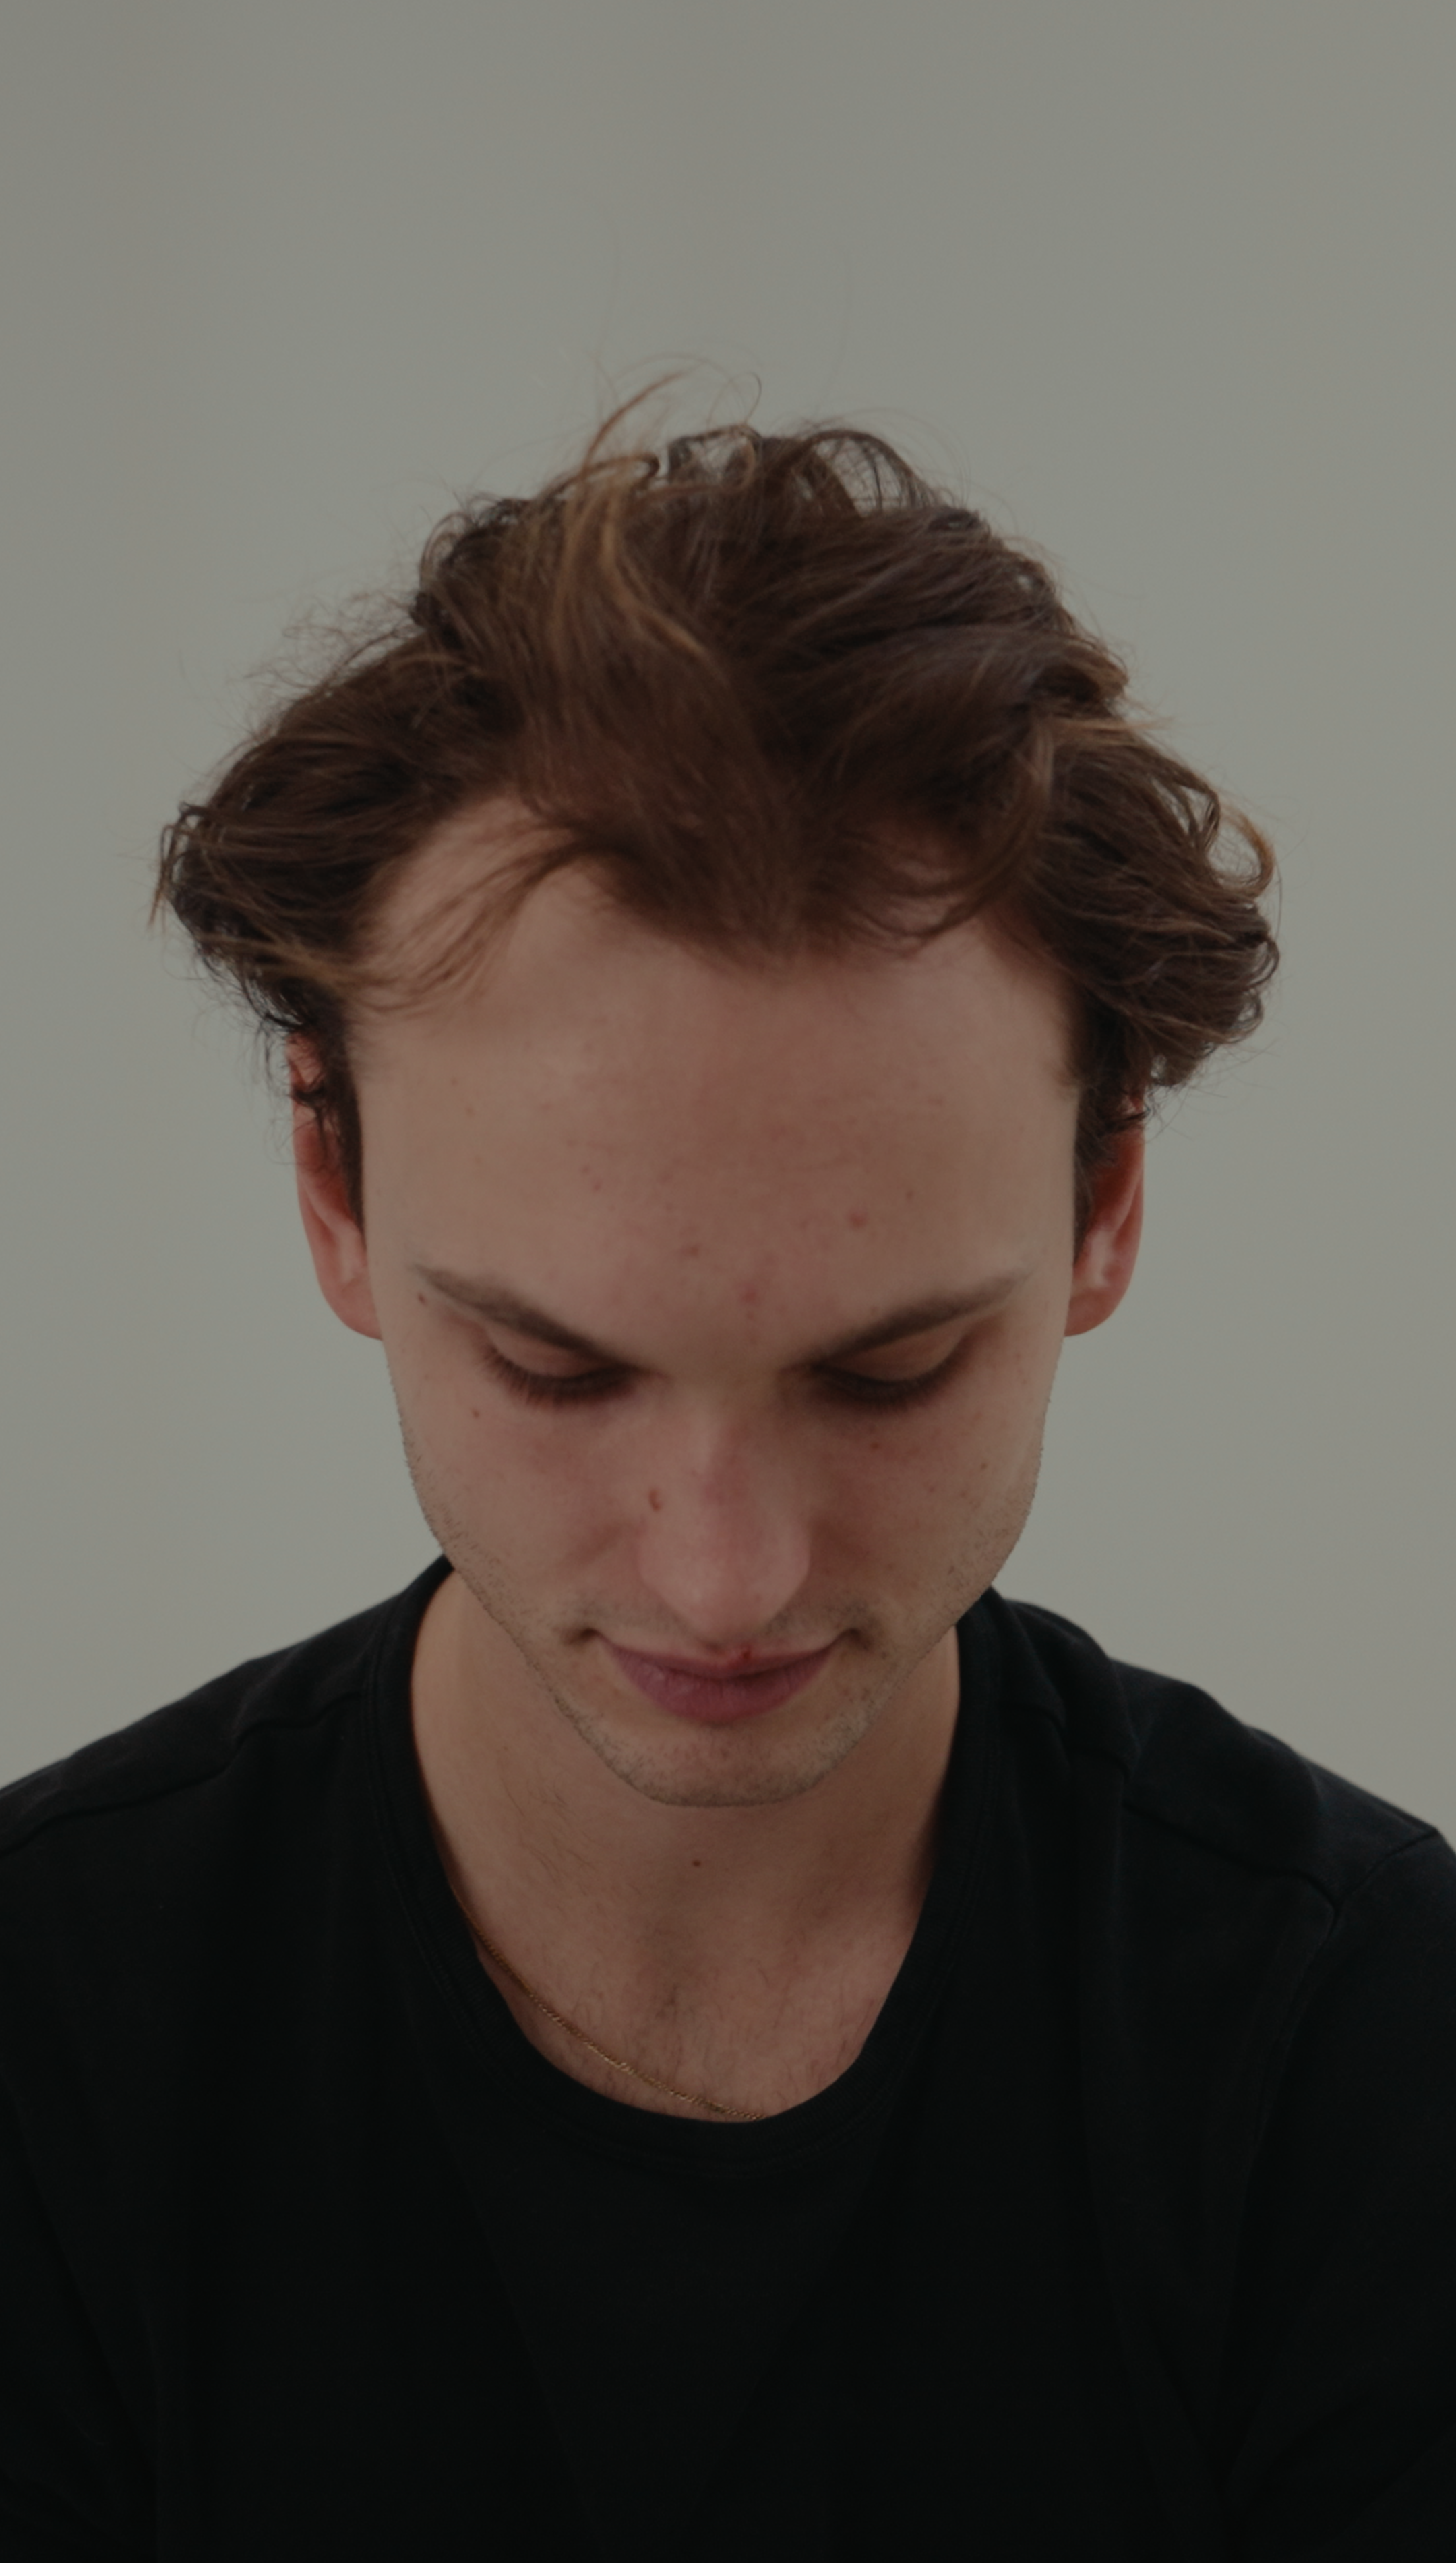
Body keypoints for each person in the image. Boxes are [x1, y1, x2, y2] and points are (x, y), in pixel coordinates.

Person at [1, 411, 1452, 2563]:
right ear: (333, 1185)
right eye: (555, 1367)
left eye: (889, 1373)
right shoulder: (48, 2039)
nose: (726, 1575)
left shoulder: (1369, 2050)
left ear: (1105, 1202)